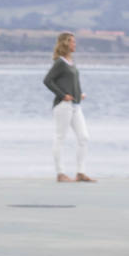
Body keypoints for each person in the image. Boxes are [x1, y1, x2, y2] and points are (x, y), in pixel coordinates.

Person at [43, 32, 95, 183]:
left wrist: (79, 94)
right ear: (65, 43)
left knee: (84, 137)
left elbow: (72, 82)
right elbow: (47, 80)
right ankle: (60, 173)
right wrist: (62, 94)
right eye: (72, 42)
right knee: (60, 138)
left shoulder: (71, 61)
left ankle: (80, 173)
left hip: (75, 105)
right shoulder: (60, 63)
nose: (75, 44)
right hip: (63, 106)